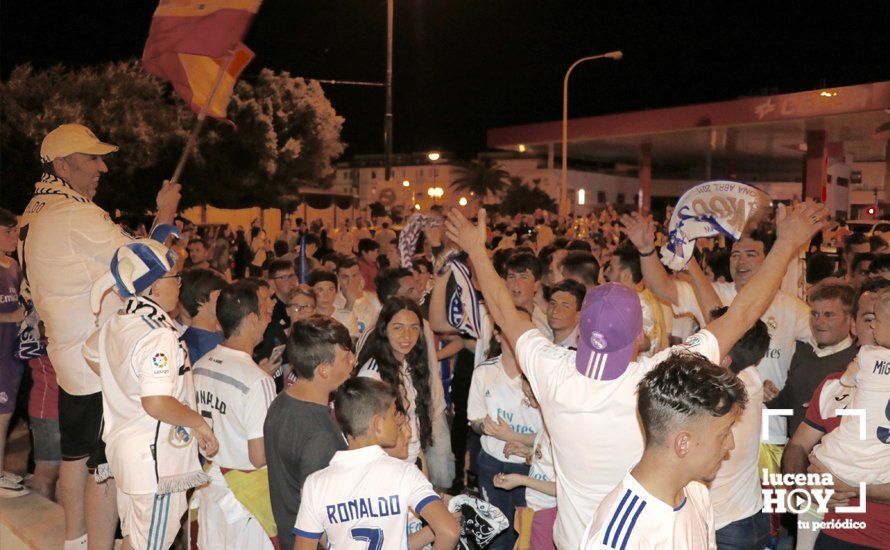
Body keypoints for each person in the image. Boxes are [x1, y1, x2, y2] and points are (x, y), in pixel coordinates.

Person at [442, 203, 828, 549]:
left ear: (582, 325)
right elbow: (742, 316)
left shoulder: (551, 370)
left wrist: (476, 250)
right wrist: (788, 243)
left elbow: (505, 312)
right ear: (638, 338)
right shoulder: (657, 378)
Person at [18, 124, 180, 549]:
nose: (103, 167)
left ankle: (75, 542)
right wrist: (165, 216)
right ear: (62, 164)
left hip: (71, 358)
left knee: (77, 459)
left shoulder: (35, 211)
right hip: (97, 365)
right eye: (92, 159)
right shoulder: (74, 214)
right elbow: (149, 267)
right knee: (102, 467)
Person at [82, 240, 217, 550]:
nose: (180, 284)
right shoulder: (158, 333)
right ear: (154, 287)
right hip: (153, 462)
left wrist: (124, 384)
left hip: (129, 454)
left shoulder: (121, 319)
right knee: (148, 544)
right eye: (174, 278)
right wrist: (198, 423)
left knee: (136, 540)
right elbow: (156, 402)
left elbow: (89, 352)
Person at [581, 352, 748, 548]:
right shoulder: (620, 539)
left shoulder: (697, 493)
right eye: (724, 434)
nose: (731, 444)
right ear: (683, 443)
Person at [781, 278, 890, 550]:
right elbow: (796, 446)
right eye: (868, 319)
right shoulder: (832, 385)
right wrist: (802, 487)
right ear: (854, 326)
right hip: (829, 531)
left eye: (878, 319)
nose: (874, 327)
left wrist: (852, 488)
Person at [293, 377, 460, 549]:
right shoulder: (405, 473)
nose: (398, 421)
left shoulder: (315, 484)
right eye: (392, 414)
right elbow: (449, 531)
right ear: (378, 424)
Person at [193, 281, 278, 549]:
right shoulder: (257, 380)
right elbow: (258, 455)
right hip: (246, 501)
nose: (269, 317)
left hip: (210, 489)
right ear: (252, 319)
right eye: (265, 310)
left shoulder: (200, 366)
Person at [263, 316, 354, 550]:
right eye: (346, 357)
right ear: (323, 369)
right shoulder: (319, 432)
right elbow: (318, 512)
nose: (353, 361)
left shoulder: (283, 399)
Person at [468, 316, 542, 550]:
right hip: (492, 464)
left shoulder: (541, 374)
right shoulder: (484, 372)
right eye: (507, 330)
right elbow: (474, 419)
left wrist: (511, 436)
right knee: (497, 535)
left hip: (532, 468)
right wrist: (487, 428)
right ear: (498, 334)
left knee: (527, 535)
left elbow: (552, 434)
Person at [706, 307, 772, 549]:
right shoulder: (752, 379)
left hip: (723, 526)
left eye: (709, 334)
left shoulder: (715, 397)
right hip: (750, 516)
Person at [766, 283, 857, 437]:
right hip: (796, 454)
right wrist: (769, 395)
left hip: (832, 457)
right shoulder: (804, 352)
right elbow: (790, 406)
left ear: (850, 320)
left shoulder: (857, 363)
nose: (819, 322)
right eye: (814, 314)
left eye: (829, 315)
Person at [357, 297, 434, 469]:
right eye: (398, 327)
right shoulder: (371, 375)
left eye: (414, 328)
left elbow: (415, 427)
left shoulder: (407, 363)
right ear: (384, 329)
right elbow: (363, 441)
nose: (407, 336)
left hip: (411, 463)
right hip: (386, 470)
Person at [492, 377, 558, 550]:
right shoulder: (548, 422)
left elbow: (561, 488)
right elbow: (547, 462)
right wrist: (529, 454)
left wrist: (522, 480)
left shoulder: (561, 431)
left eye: (531, 395)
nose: (529, 400)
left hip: (548, 513)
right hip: (536, 509)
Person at [0, 208, 26, 496]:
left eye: (15, 230)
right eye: (8, 231)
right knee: (2, 414)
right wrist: (11, 317)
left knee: (6, 413)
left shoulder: (14, 266)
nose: (14, 236)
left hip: (12, 352)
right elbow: (13, 312)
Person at [180, 268, 228, 363]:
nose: (225, 299)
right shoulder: (192, 345)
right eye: (219, 294)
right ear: (201, 300)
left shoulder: (219, 334)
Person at [335, 257, 382, 337]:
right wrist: (349, 303)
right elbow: (338, 331)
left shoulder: (374, 300)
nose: (350, 282)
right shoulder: (332, 301)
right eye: (345, 277)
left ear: (360, 276)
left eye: (354, 276)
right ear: (338, 278)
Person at [309, 269, 359, 337]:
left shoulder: (347, 315)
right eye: (320, 290)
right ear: (312, 291)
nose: (326, 295)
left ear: (336, 291)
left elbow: (352, 342)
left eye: (331, 289)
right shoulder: (307, 317)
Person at [544, 279, 585, 349]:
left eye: (565, 306)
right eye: (553, 303)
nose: (555, 310)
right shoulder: (543, 341)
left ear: (579, 314)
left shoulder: (581, 349)